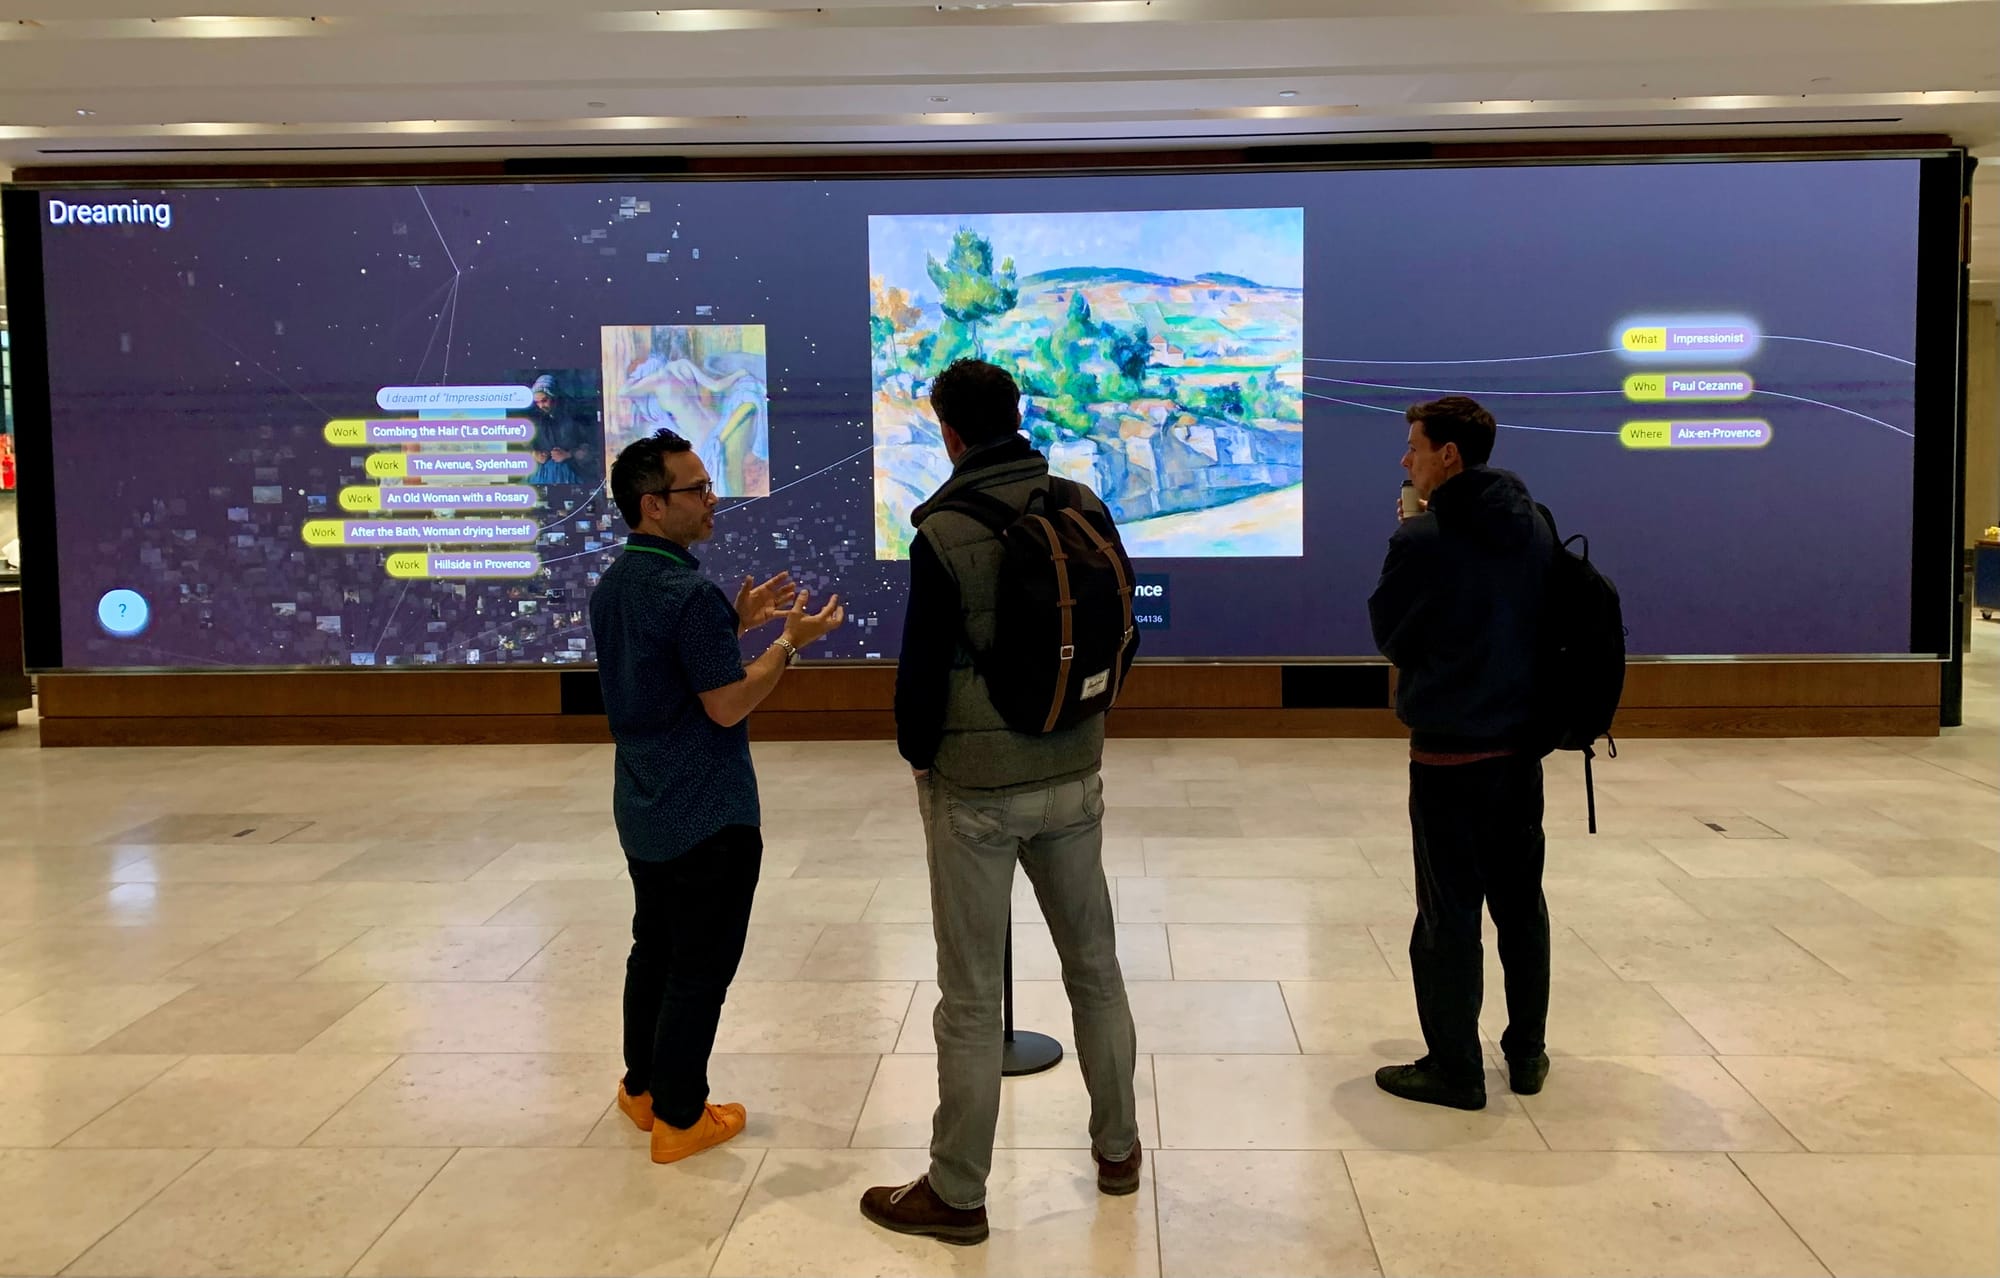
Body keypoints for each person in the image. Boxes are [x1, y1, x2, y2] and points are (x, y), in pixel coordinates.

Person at [859, 359, 1140, 1246]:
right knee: (1095, 970)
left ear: (947, 432)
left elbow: (919, 681)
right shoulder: (1082, 504)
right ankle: (1120, 1151)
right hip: (1075, 775)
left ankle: (958, 1192)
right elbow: (1122, 629)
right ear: (1017, 417)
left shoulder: (941, 528)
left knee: (972, 999)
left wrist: (920, 760)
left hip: (975, 794)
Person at [588, 427, 845, 1163]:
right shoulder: (687, 592)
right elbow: (726, 704)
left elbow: (662, 665)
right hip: (707, 816)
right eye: (695, 489)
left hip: (644, 805)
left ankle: (641, 1089)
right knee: (699, 967)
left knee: (655, 951)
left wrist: (737, 622)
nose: (711, 499)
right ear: (652, 506)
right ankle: (680, 1116)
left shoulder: (617, 585)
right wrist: (786, 643)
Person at [1367, 395, 1555, 1111]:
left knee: (1448, 917)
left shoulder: (1426, 538)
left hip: (1448, 756)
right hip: (1519, 752)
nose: (1405, 459)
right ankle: (1527, 1053)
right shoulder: (1533, 524)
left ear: (1449, 455)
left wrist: (1409, 530)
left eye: (1414, 445)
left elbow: (1391, 634)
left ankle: (1455, 1070)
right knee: (1520, 905)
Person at [526, 374, 593, 486]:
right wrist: (535, 454)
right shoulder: (536, 419)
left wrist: (569, 454)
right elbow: (523, 445)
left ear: (555, 397)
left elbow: (590, 450)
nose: (541, 406)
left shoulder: (575, 417)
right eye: (537, 402)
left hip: (571, 476)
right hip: (542, 477)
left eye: (544, 400)